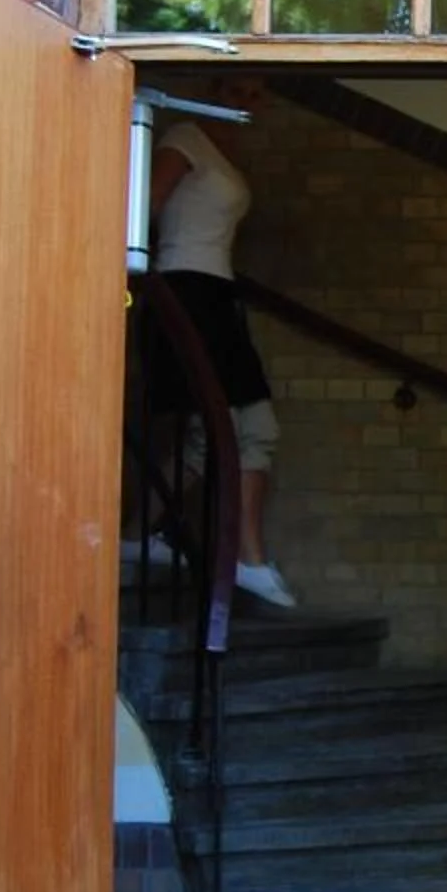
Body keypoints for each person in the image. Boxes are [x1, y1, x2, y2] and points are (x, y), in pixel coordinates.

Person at [142, 116, 297, 608]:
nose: (247, 101)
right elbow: (145, 206)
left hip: (218, 298)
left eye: (255, 94)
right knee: (210, 433)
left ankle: (247, 561)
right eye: (235, 91)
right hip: (183, 289)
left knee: (258, 429)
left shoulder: (223, 150)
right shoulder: (186, 137)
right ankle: (136, 535)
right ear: (215, 88)